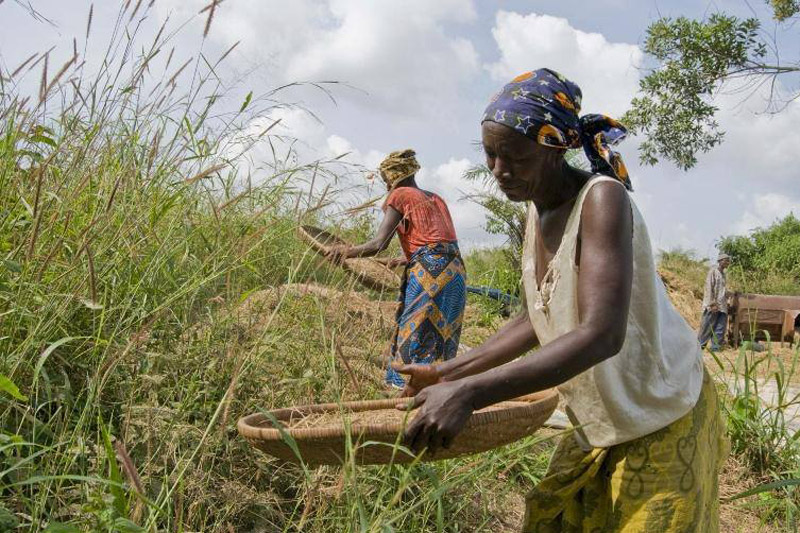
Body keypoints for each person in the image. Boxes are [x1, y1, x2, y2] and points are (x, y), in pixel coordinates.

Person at [394, 69, 726, 532]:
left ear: (555, 149)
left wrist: (471, 392)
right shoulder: (537, 207)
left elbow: (600, 335)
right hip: (600, 418)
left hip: (659, 412)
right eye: (490, 155)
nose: (498, 171)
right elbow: (537, 315)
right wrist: (448, 371)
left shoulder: (602, 199)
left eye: (514, 157)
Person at [327, 149, 467, 389]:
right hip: (455, 270)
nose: (385, 186)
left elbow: (377, 244)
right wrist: (408, 258)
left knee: (415, 332)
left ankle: (405, 391)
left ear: (392, 177)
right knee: (441, 335)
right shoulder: (435, 198)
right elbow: (440, 244)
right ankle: (439, 388)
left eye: (385, 180)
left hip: (429, 273)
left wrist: (345, 251)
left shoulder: (400, 194)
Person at [698, 253, 731, 351]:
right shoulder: (713, 272)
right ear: (720, 261)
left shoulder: (723, 274)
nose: (728, 263)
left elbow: (722, 290)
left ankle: (716, 348)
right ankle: (700, 346)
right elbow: (709, 288)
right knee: (707, 326)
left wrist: (730, 294)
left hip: (722, 305)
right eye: (726, 260)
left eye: (728, 261)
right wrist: (712, 303)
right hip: (713, 305)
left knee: (720, 327)